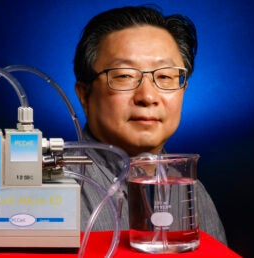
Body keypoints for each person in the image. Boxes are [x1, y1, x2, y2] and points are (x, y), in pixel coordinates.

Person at [71, 5, 227, 245]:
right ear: (85, 95)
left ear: (183, 89)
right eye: (124, 75)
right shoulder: (51, 190)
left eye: (165, 76)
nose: (148, 96)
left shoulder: (192, 194)